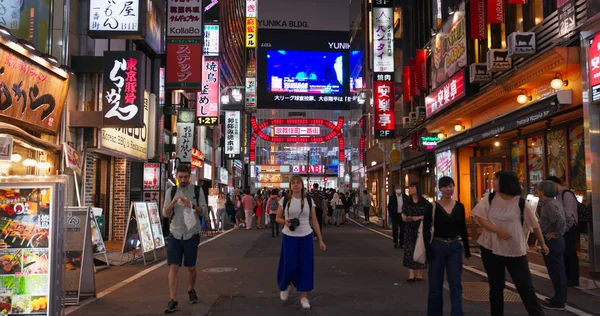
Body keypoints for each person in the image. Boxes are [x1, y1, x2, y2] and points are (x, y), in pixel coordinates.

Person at [472, 171, 548, 316]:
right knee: (496, 286)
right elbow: (480, 218)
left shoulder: (520, 202)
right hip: (490, 248)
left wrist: (543, 244)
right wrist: (498, 231)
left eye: (496, 180)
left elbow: (534, 224)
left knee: (525, 286)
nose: (493, 182)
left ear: (505, 183)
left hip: (515, 249)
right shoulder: (490, 198)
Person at [162, 164, 208, 313]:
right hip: (175, 233)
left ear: (190, 176)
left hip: (191, 234)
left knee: (191, 267)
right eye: (180, 177)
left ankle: (191, 289)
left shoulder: (197, 190)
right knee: (173, 266)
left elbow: (204, 210)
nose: (183, 179)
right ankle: (173, 300)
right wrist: (174, 201)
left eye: (185, 177)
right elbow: (165, 213)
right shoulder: (171, 191)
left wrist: (192, 205)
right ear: (176, 176)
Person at [277, 176, 326, 310]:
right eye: (293, 183)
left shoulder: (309, 201)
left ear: (302, 185)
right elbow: (277, 217)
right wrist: (284, 222)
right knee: (289, 263)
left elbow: (314, 221)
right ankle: (285, 285)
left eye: (298, 183)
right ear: (290, 186)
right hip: (289, 236)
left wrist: (320, 239)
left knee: (306, 266)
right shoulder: (285, 200)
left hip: (306, 235)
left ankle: (303, 296)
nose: (296, 185)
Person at [423, 177, 471, 316]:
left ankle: (457, 313)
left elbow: (462, 228)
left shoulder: (460, 206)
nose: (448, 189)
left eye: (451, 186)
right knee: (435, 284)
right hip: (437, 246)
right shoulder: (432, 207)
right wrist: (428, 249)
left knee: (455, 283)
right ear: (440, 189)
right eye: (445, 187)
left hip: (455, 247)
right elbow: (426, 230)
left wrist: (466, 249)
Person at [537, 180, 568, 311]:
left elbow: (561, 220)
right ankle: (557, 298)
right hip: (554, 241)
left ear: (543, 191)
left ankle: (559, 302)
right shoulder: (553, 203)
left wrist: (555, 233)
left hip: (553, 242)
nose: (537, 192)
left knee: (557, 272)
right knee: (555, 271)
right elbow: (568, 219)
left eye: (539, 189)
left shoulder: (549, 205)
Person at [546, 176, 580, 287]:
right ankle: (566, 276)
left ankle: (574, 278)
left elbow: (569, 214)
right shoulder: (557, 196)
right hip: (562, 227)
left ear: (555, 184)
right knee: (563, 252)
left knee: (570, 252)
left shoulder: (567, 194)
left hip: (569, 228)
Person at [402, 182, 430, 282]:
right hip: (409, 228)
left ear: (417, 189)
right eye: (409, 188)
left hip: (421, 228)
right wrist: (405, 218)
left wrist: (417, 218)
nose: (410, 189)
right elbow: (403, 213)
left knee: (421, 249)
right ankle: (411, 274)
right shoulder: (407, 201)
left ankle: (420, 273)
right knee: (409, 250)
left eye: (412, 187)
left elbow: (429, 215)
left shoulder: (424, 202)